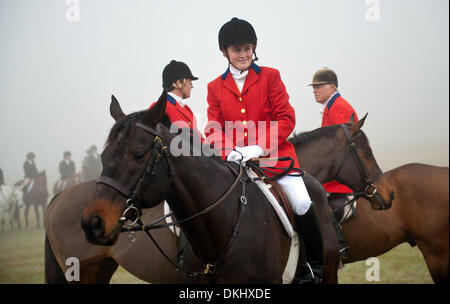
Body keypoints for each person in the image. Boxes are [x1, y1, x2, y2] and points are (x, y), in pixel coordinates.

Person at [204, 17, 324, 283]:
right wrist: (229, 151)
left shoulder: (271, 76)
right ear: (224, 52)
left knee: (303, 201)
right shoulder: (214, 87)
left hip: (274, 159)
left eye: (248, 48)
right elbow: (213, 128)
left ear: (254, 47)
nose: (244, 54)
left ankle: (313, 267)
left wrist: (259, 146)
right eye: (237, 50)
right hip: (236, 165)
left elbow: (286, 117)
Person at [309, 67, 359, 260]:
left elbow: (338, 149)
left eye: (318, 86)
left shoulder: (340, 107)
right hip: (336, 171)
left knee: (320, 204)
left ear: (332, 87)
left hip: (342, 176)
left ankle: (339, 246)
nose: (314, 90)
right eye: (313, 87)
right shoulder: (331, 106)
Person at [150, 60, 201, 135]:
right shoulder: (160, 107)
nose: (192, 86)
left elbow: (197, 138)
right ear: (179, 83)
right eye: (189, 82)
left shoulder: (187, 110)